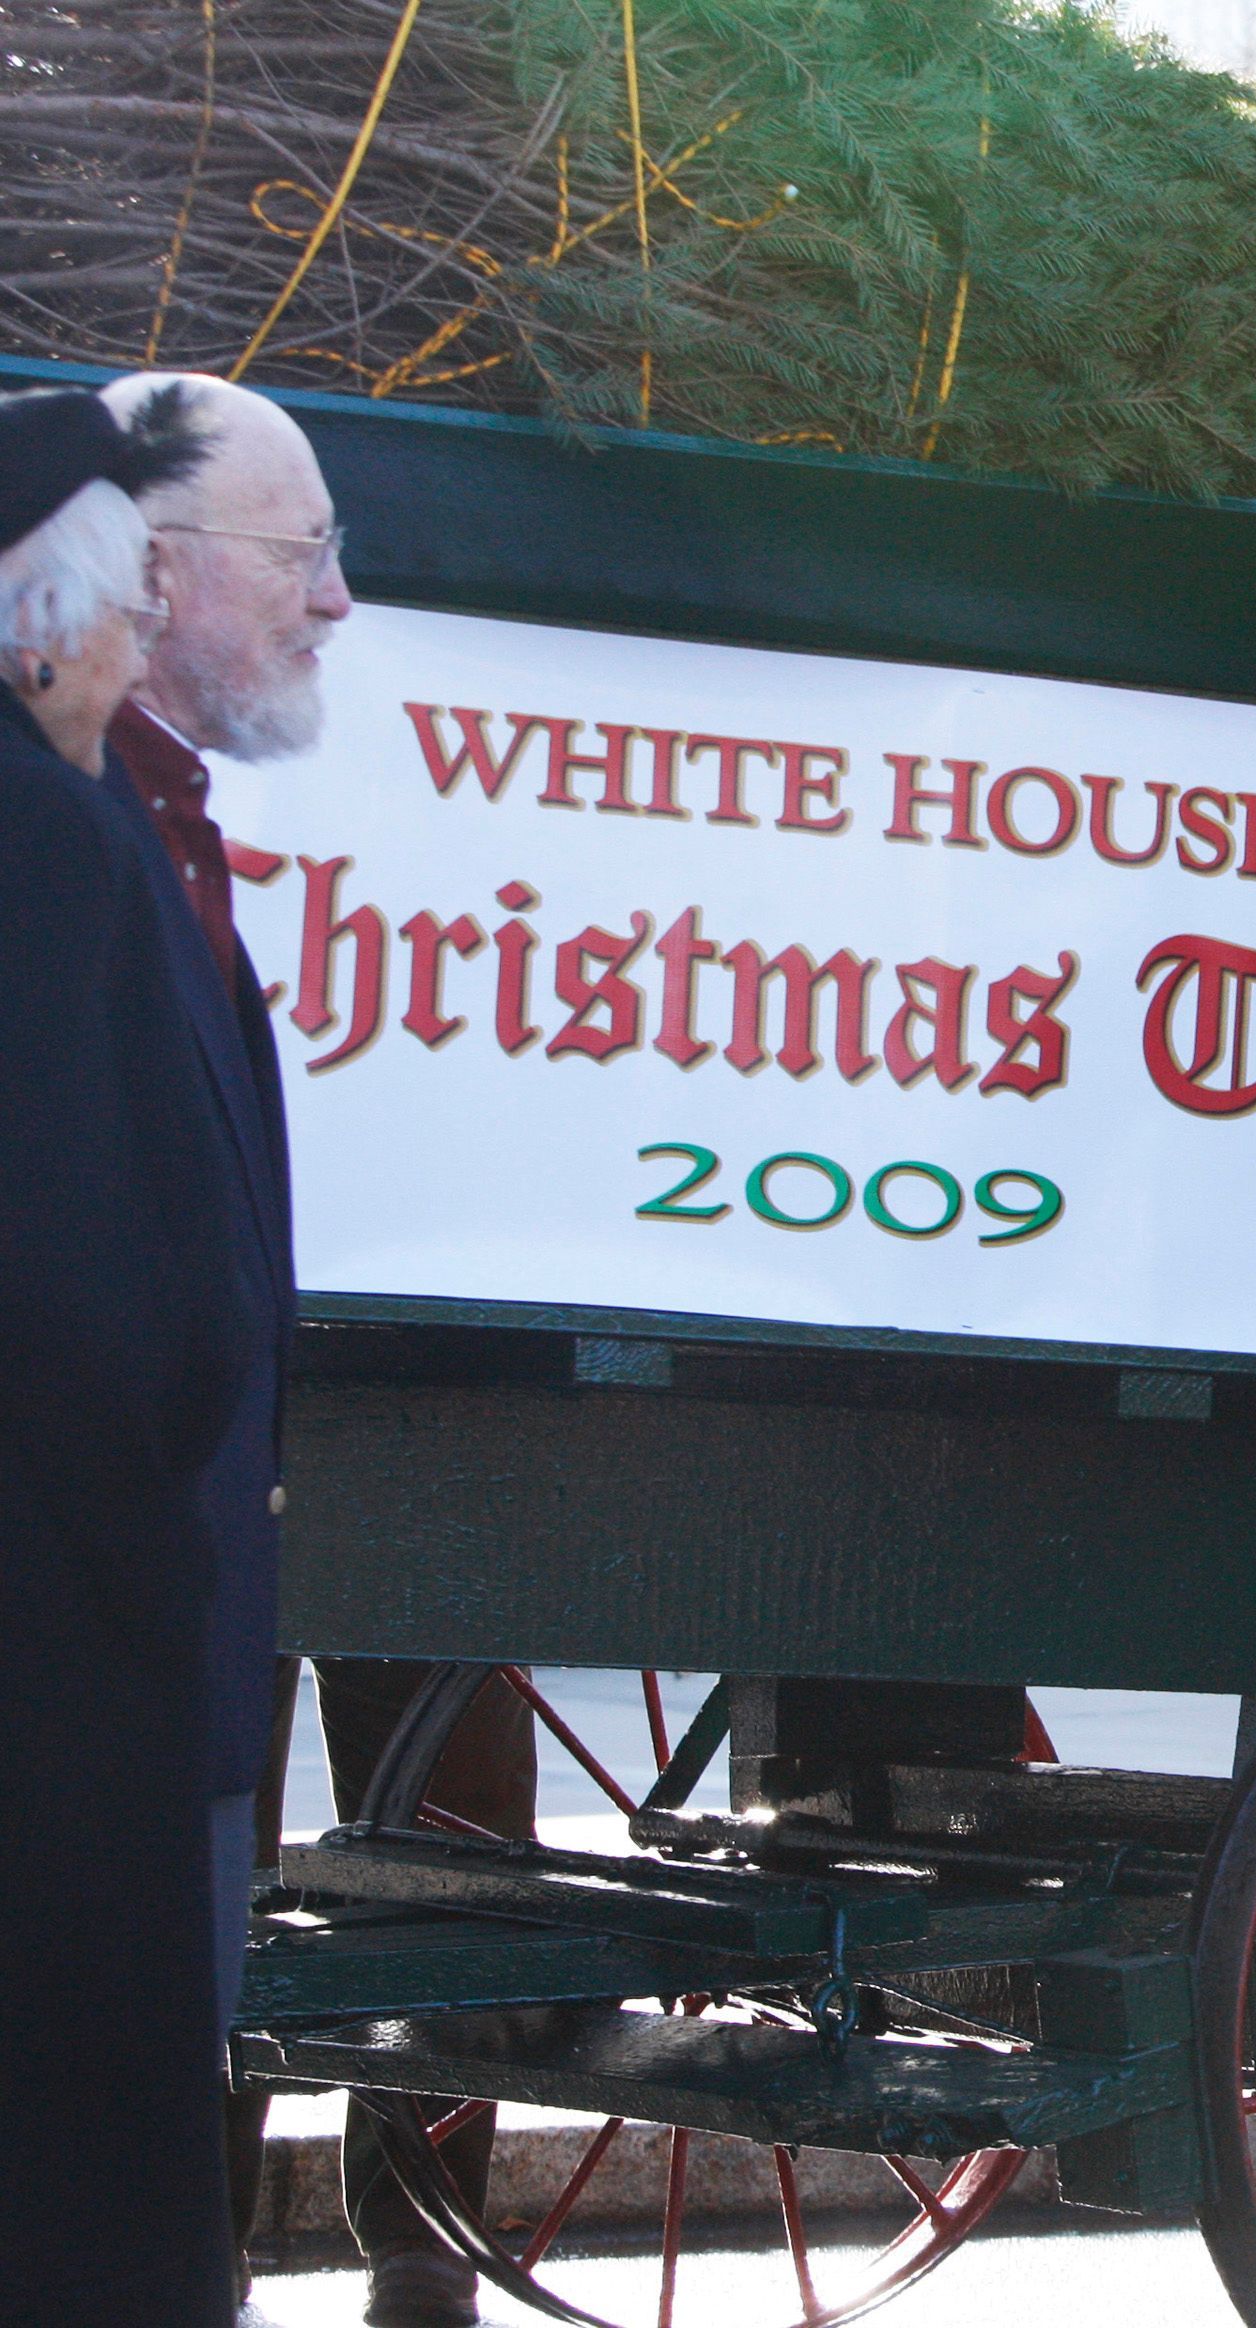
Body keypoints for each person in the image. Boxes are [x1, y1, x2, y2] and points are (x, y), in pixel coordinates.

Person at [101, 369, 538, 2328]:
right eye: (307, 555)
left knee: (417, 1786)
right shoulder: (79, 827)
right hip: (121, 1540)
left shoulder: (178, 808)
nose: (341, 600)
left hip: (276, 1448)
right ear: (160, 568)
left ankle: (405, 2230)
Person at [0, 381, 257, 2325]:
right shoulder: (54, 855)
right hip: (51, 1587)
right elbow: (75, 1250)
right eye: (108, 609)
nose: (123, 647)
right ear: (39, 627)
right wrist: (157, 1519)